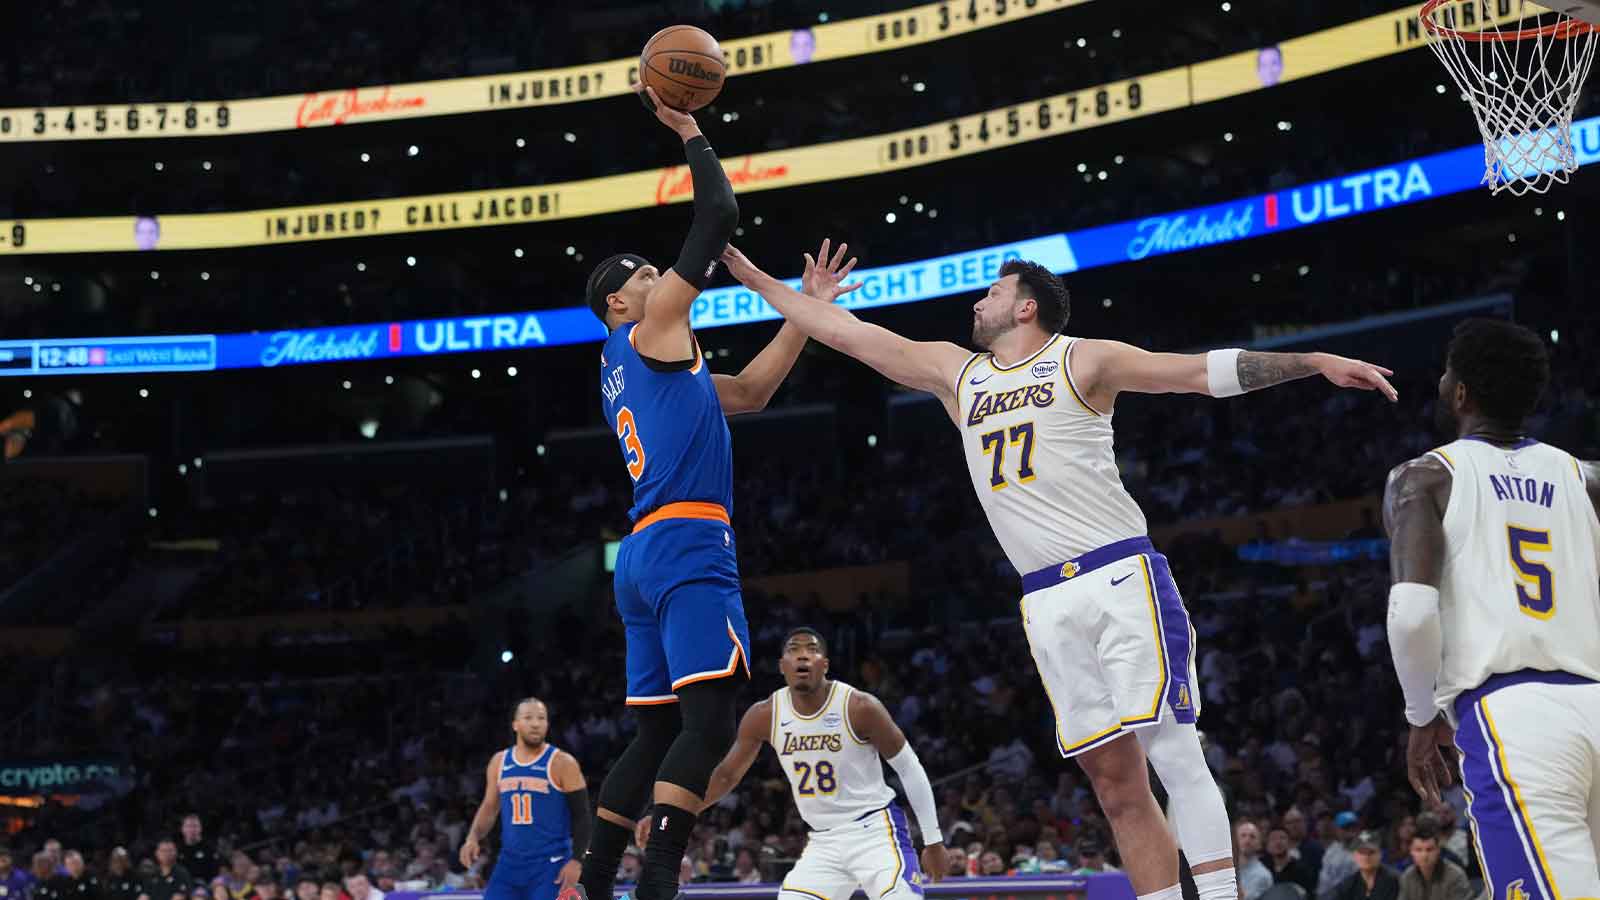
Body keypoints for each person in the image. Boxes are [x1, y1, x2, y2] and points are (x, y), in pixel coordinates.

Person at [718, 244, 1396, 900]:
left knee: (1172, 748)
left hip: (1118, 574)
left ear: (1026, 308)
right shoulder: (961, 376)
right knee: (1112, 780)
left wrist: (1310, 360)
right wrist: (761, 281)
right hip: (1044, 598)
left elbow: (1195, 373)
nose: (978, 302)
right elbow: (847, 333)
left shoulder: (1083, 359)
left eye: (993, 292)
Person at [574, 88, 862, 900]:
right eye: (647, 275)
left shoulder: (643, 367)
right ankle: (659, 877)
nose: (665, 277)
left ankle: (597, 881)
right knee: (711, 722)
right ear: (621, 303)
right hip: (689, 540)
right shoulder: (649, 326)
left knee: (656, 728)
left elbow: (754, 393)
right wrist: (689, 125)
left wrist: (808, 313)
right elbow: (719, 214)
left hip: (641, 554)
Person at [1384, 318, 1600, 900]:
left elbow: (1410, 612)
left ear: (1460, 393)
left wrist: (1419, 715)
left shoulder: (1425, 477)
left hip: (1516, 717)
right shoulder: (1586, 479)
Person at [666, 628, 946, 900]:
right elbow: (726, 775)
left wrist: (933, 840)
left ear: (824, 665)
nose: (802, 656)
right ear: (782, 666)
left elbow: (910, 768)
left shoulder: (860, 707)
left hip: (875, 831)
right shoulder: (765, 714)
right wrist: (676, 815)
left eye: (811, 650)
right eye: (793, 650)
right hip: (824, 841)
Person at [460, 699, 588, 900]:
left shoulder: (563, 762)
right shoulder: (499, 762)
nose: (536, 723)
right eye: (528, 718)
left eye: (541, 718)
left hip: (551, 865)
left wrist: (577, 861)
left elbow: (582, 817)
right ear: (515, 724)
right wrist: (472, 837)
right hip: (509, 865)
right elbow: (489, 807)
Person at [1396, 830, 1468, 900]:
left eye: (1429, 850)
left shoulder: (1455, 876)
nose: (1424, 855)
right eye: (1418, 850)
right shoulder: (1407, 877)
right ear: (1411, 851)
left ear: (1438, 850)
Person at [1331, 833, 1398, 900]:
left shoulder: (1394, 880)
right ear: (1355, 856)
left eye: (1371, 852)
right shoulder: (1347, 885)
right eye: (1362, 852)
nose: (1366, 857)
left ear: (1380, 854)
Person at [1264, 826, 1317, 896]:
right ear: (1267, 846)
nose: (1278, 842)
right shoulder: (1263, 868)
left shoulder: (1302, 869)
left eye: (1282, 838)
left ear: (1290, 843)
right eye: (1273, 839)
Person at [1234, 822, 1273, 900]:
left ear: (1259, 844)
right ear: (1235, 840)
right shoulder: (1227, 869)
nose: (1247, 840)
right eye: (1243, 835)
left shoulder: (1263, 875)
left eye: (1252, 837)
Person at [178, 817, 218, 883]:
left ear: (200, 828)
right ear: (183, 829)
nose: (192, 829)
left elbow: (216, 872)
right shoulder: (177, 849)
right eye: (188, 826)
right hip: (183, 886)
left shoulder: (209, 848)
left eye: (195, 826)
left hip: (205, 886)